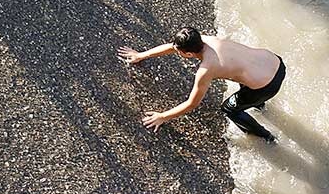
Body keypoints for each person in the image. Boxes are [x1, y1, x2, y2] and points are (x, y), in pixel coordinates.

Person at [119, 27, 285, 142]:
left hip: (267, 85)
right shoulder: (205, 40)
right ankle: (260, 107)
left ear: (189, 54)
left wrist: (162, 117)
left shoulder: (206, 69)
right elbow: (172, 47)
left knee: (229, 109)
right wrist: (141, 55)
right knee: (243, 77)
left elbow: (192, 103)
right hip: (275, 62)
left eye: (180, 52)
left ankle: (266, 138)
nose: (175, 51)